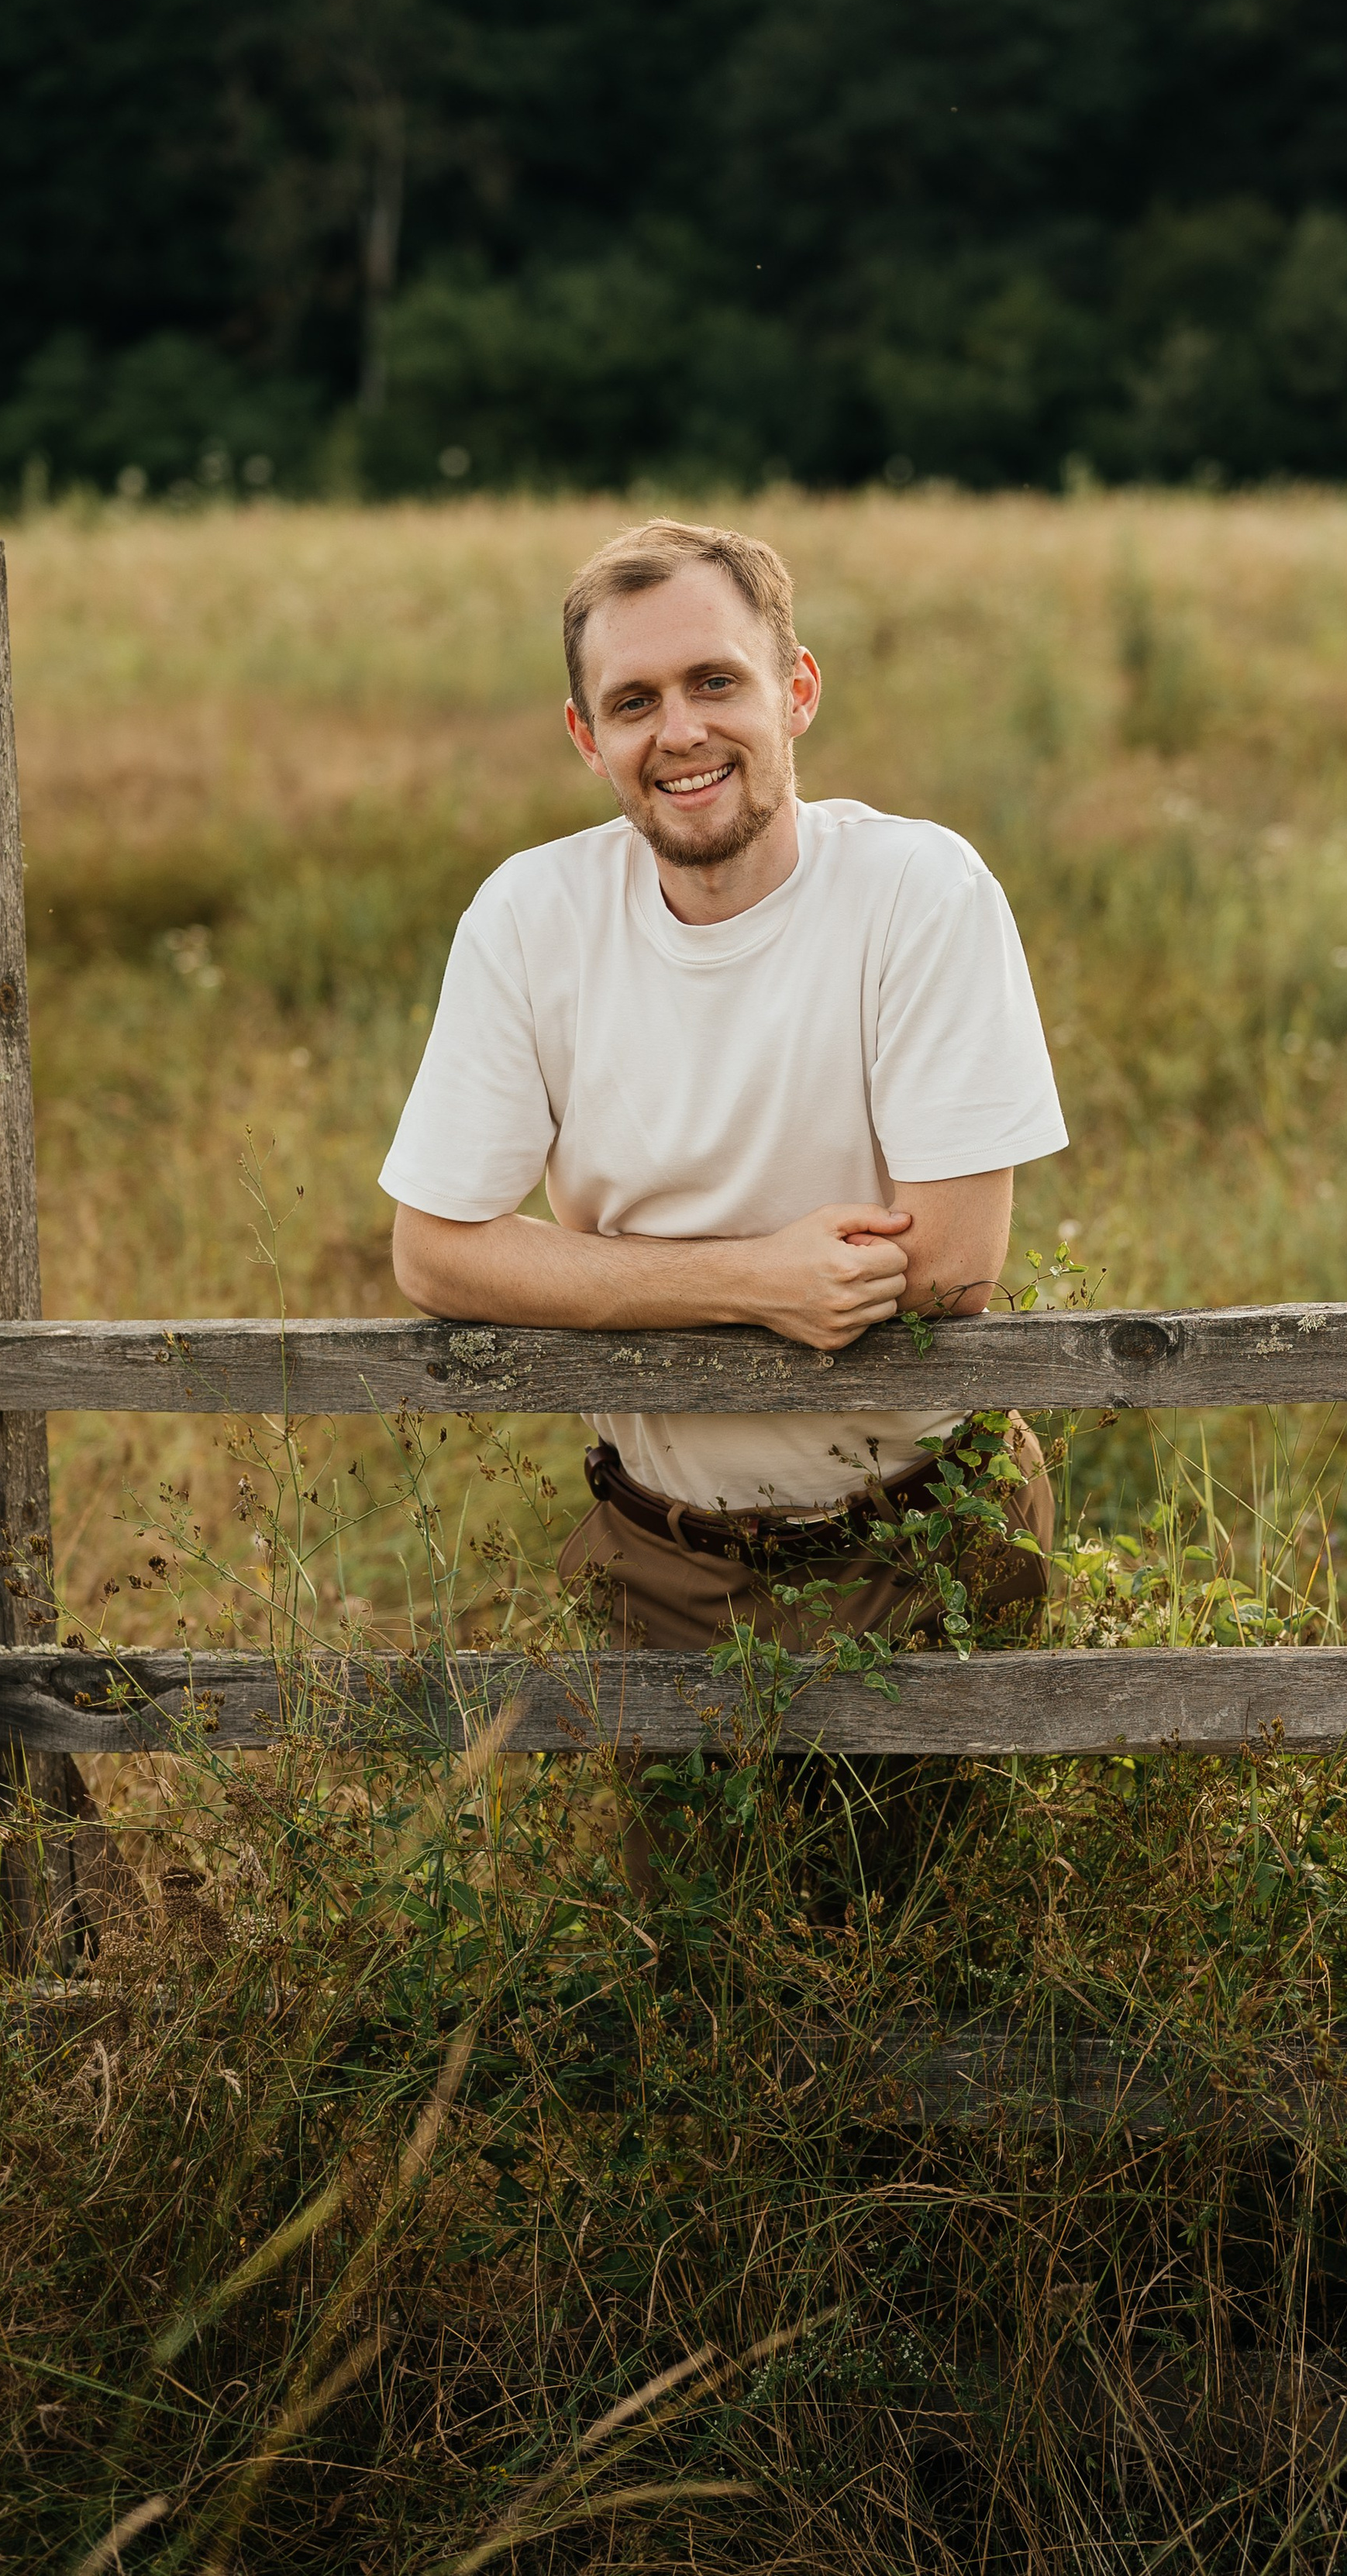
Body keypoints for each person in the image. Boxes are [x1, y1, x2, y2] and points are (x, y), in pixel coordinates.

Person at [379, 516, 1068, 1783]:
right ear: (588, 737)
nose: (680, 732)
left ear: (795, 691)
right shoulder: (532, 919)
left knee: (956, 1950)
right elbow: (433, 1250)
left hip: (927, 1538)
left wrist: (592, 1273)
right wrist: (757, 1280)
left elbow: (950, 1269)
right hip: (661, 1565)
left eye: (716, 682)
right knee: (685, 1971)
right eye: (632, 701)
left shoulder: (920, 891)